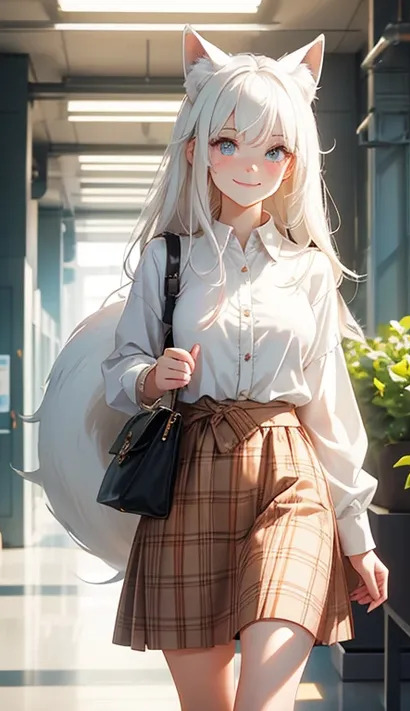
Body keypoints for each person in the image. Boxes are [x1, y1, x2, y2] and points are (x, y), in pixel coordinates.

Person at [97, 26, 388, 711]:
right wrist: (151, 375)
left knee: (265, 702)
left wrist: (360, 536)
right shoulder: (169, 260)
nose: (251, 162)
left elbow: (329, 407)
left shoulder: (311, 270)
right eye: (230, 142)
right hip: (189, 474)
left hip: (292, 479)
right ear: (196, 148)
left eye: (274, 147)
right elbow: (120, 369)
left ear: (292, 162)